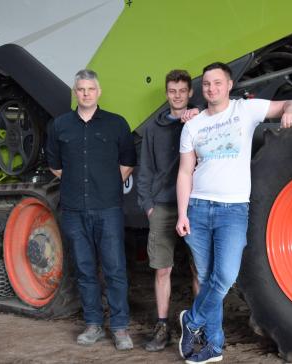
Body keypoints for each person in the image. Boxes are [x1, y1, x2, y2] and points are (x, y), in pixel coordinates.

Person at [175, 62, 292, 363]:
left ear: (229, 85)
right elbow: (184, 173)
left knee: (225, 277)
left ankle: (191, 322)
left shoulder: (245, 110)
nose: (211, 88)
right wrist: (182, 214)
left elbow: (289, 101)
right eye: (206, 84)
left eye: (217, 83)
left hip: (233, 210)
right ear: (201, 88)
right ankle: (213, 346)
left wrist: (291, 110)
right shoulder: (192, 125)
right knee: (207, 280)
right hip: (198, 207)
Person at [46, 69, 136, 351]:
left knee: (115, 269)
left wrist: (106, 185)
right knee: (85, 270)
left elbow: (127, 162)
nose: (85, 93)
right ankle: (93, 325)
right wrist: (77, 184)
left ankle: (120, 328)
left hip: (108, 208)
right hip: (73, 210)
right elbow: (55, 165)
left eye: (90, 89)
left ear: (98, 92)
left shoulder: (116, 124)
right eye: (81, 89)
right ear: (75, 93)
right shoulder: (60, 126)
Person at [137, 70, 200, 352]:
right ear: (166, 94)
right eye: (172, 91)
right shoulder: (153, 129)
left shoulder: (201, 121)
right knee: (163, 269)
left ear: (190, 94)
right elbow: (146, 170)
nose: (177, 95)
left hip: (196, 205)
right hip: (162, 206)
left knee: (199, 269)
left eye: (182, 90)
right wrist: (148, 206)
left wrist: (199, 114)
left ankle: (199, 327)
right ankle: (162, 326)